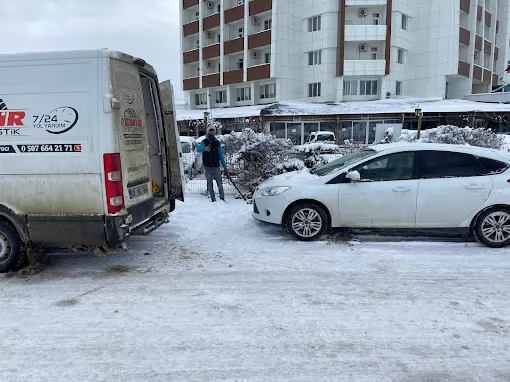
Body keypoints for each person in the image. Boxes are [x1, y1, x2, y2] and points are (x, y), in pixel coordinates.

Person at [197, 127, 227, 202]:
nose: (211, 133)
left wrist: (224, 165)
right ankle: (213, 199)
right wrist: (205, 148)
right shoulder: (204, 141)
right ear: (208, 132)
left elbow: (220, 154)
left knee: (219, 183)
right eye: (210, 131)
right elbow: (198, 149)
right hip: (208, 166)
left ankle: (222, 199)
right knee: (210, 184)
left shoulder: (217, 142)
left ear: (215, 132)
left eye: (213, 131)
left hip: (216, 165)